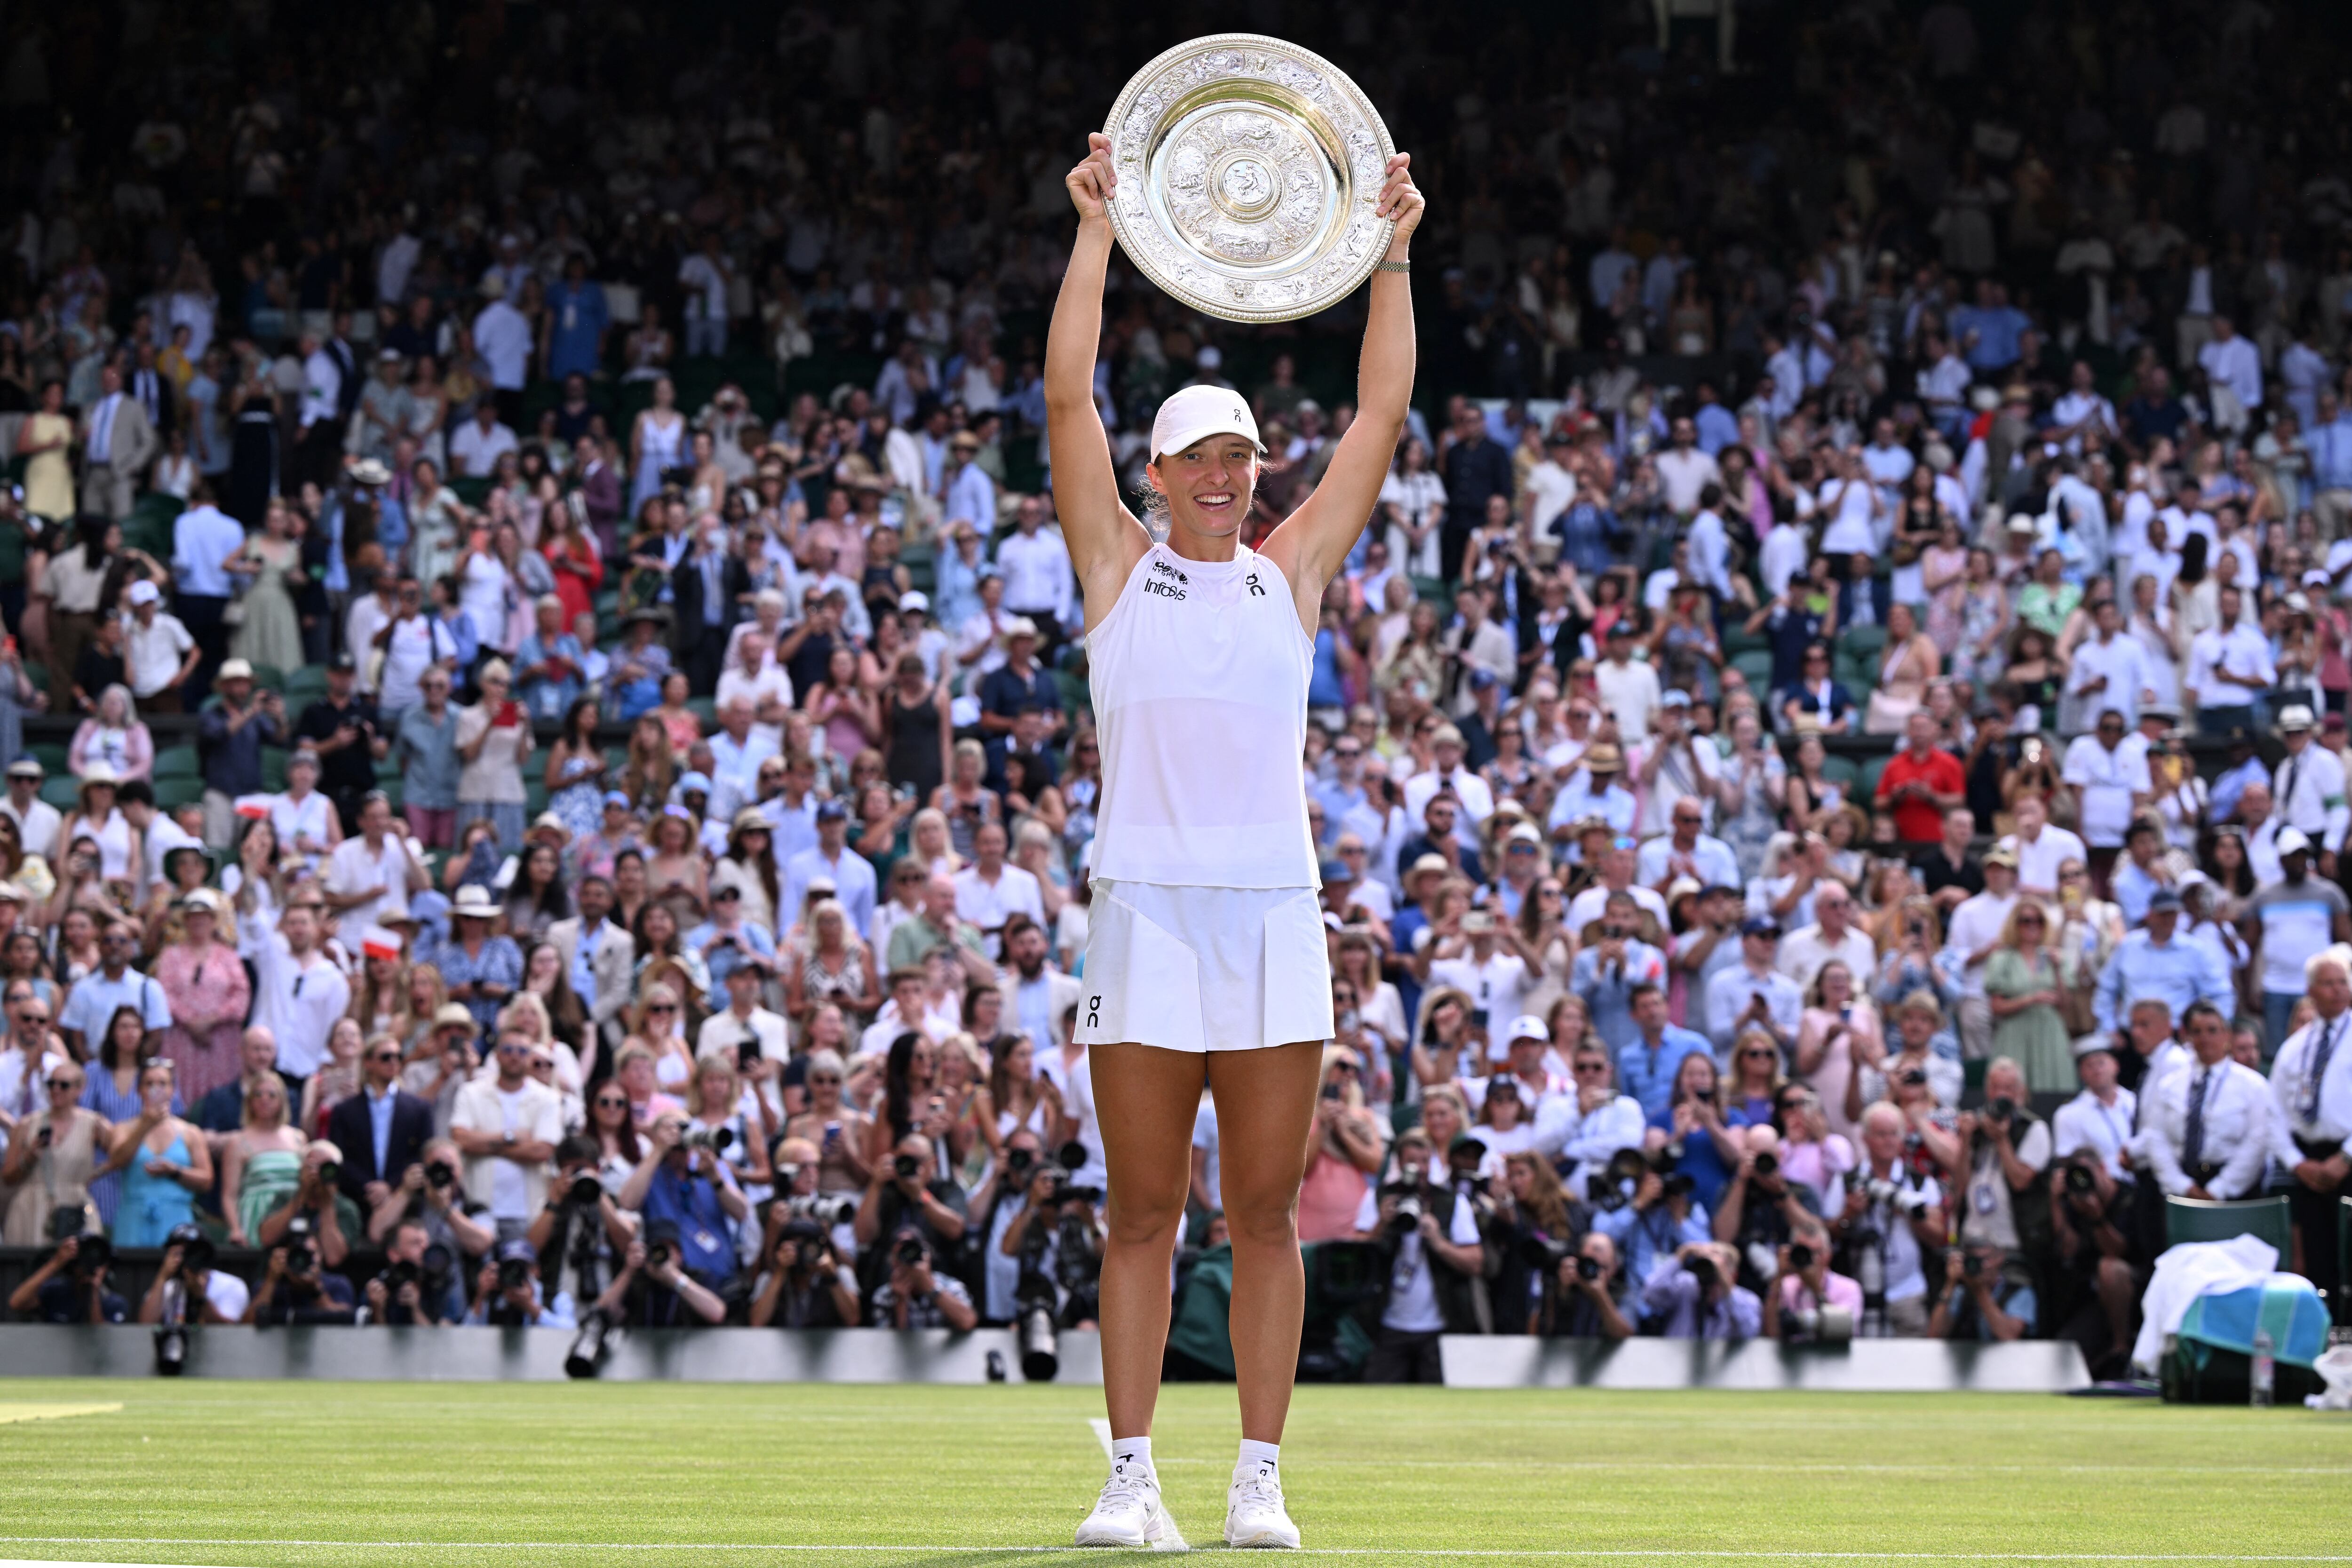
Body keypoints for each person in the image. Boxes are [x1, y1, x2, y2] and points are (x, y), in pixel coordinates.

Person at [1047, 133, 1422, 1553]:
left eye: (1239, 456)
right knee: (1142, 1213)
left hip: (1271, 913)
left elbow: (1380, 409)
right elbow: (1064, 393)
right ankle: (1130, 1474)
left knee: (1261, 1215)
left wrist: (1389, 250)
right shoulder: (1111, 565)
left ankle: (1256, 1476)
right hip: (1141, 908)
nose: (1222, 473)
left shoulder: (1292, 572)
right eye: (1197, 455)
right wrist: (1092, 230)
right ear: (1155, 471)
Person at [2268, 946, 2352, 1300]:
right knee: (2319, 1259)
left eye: (2342, 982)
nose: (2336, 990)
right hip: (2309, 1161)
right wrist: (2296, 1162)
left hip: (2346, 1155)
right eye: (2327, 983)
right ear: (2311, 990)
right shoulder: (2296, 1046)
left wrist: (2346, 1157)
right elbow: (2273, 1112)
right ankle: (2327, 1338)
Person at [2143, 1001, 2272, 1201]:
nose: (2205, 1038)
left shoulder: (2253, 1085)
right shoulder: (2169, 1085)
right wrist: (2181, 1186)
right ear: (2188, 1037)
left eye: (2213, 1031)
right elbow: (2156, 1137)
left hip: (2234, 1186)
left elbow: (2257, 1140)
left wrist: (2220, 1188)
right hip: (2182, 1181)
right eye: (2197, 1032)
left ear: (2227, 1035)